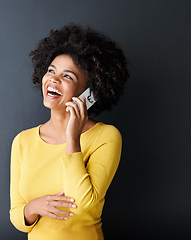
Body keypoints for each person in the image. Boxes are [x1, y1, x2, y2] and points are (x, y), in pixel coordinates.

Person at [9, 23, 129, 240]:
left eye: (68, 76)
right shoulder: (22, 141)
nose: (53, 79)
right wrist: (34, 206)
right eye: (51, 71)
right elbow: (17, 217)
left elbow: (84, 205)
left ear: (88, 94)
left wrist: (72, 139)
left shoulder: (106, 136)